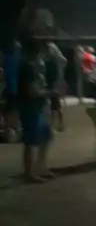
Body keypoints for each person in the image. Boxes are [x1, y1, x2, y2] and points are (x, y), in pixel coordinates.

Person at [17, 38, 54, 182]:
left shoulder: (36, 66)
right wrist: (49, 93)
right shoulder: (28, 67)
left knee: (45, 137)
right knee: (31, 141)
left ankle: (40, 168)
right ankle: (29, 173)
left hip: (39, 106)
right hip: (30, 107)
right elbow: (31, 91)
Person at [45, 42, 67, 131]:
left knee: (55, 106)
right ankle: (54, 124)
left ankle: (57, 124)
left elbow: (55, 75)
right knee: (53, 107)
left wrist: (56, 86)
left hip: (53, 85)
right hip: (51, 85)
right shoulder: (52, 61)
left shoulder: (53, 62)